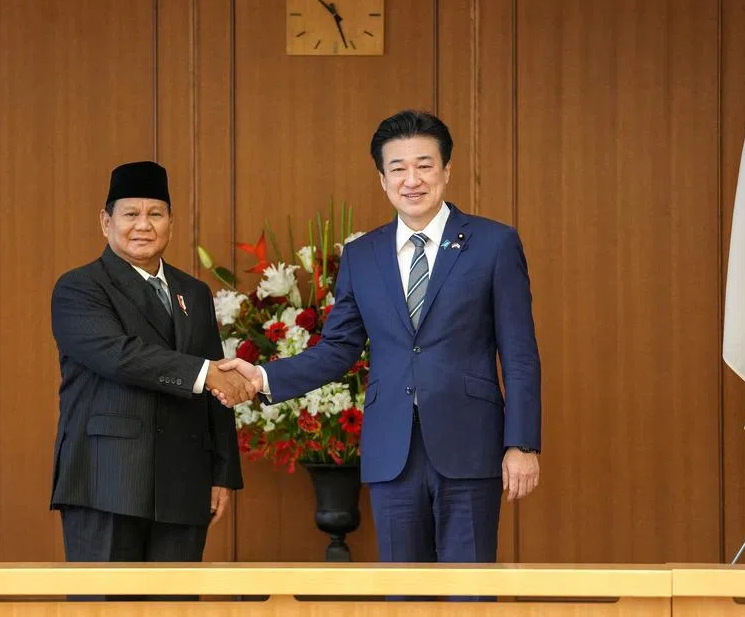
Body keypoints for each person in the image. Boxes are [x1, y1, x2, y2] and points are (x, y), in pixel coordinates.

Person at [217, 110, 542, 566]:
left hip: (472, 444)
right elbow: (337, 348)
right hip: (393, 450)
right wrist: (262, 377)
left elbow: (520, 354)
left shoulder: (494, 243)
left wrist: (522, 443)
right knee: (402, 595)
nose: (412, 179)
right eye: (398, 168)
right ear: (382, 179)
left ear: (447, 170)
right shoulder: (362, 254)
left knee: (469, 593)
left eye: (425, 165)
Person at [49, 160, 253, 577]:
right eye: (130, 214)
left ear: (171, 224)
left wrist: (223, 473)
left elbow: (217, 391)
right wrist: (206, 373)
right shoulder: (79, 287)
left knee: (174, 607)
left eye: (155, 214)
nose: (143, 225)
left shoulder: (193, 293)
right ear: (106, 222)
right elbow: (121, 355)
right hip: (106, 479)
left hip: (184, 481)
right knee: (102, 609)